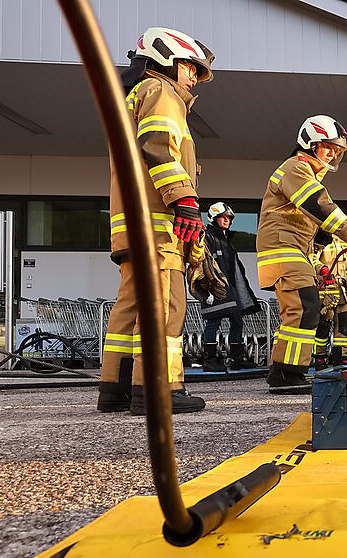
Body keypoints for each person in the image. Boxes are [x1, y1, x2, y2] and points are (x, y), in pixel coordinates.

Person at [96, 27, 214, 415]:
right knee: (166, 305)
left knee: (131, 305)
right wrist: (184, 200)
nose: (194, 77)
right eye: (190, 67)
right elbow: (159, 150)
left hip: (131, 228)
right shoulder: (161, 92)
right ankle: (159, 388)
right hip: (157, 226)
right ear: (165, 59)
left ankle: (116, 388)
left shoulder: (133, 97)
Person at [257, 116, 347, 394]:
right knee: (305, 306)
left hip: (291, 247)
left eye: (336, 150)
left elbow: (305, 213)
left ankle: (283, 370)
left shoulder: (304, 172)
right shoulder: (297, 168)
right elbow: (319, 206)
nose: (333, 154)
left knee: (301, 307)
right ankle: (287, 373)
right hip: (283, 247)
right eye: (327, 147)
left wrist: (320, 235)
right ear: (310, 144)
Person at [199, 202, 260, 372]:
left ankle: (237, 359)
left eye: (228, 218)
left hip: (231, 290)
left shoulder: (226, 239)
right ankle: (209, 361)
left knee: (237, 321)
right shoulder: (208, 237)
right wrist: (207, 288)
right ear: (214, 218)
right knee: (213, 322)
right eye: (222, 217)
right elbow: (203, 264)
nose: (226, 220)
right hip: (215, 289)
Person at [311, 236, 347, 369]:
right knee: (323, 326)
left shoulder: (343, 241)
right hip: (326, 292)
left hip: (342, 291)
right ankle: (319, 358)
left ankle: (341, 357)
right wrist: (322, 269)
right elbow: (312, 259)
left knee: (343, 326)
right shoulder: (321, 237)